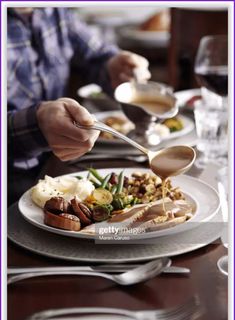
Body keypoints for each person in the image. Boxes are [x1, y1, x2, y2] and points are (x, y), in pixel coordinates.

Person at [7, 7, 151, 204]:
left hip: (57, 167)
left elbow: (97, 56)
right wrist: (35, 123)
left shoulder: (54, 10)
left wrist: (115, 66)